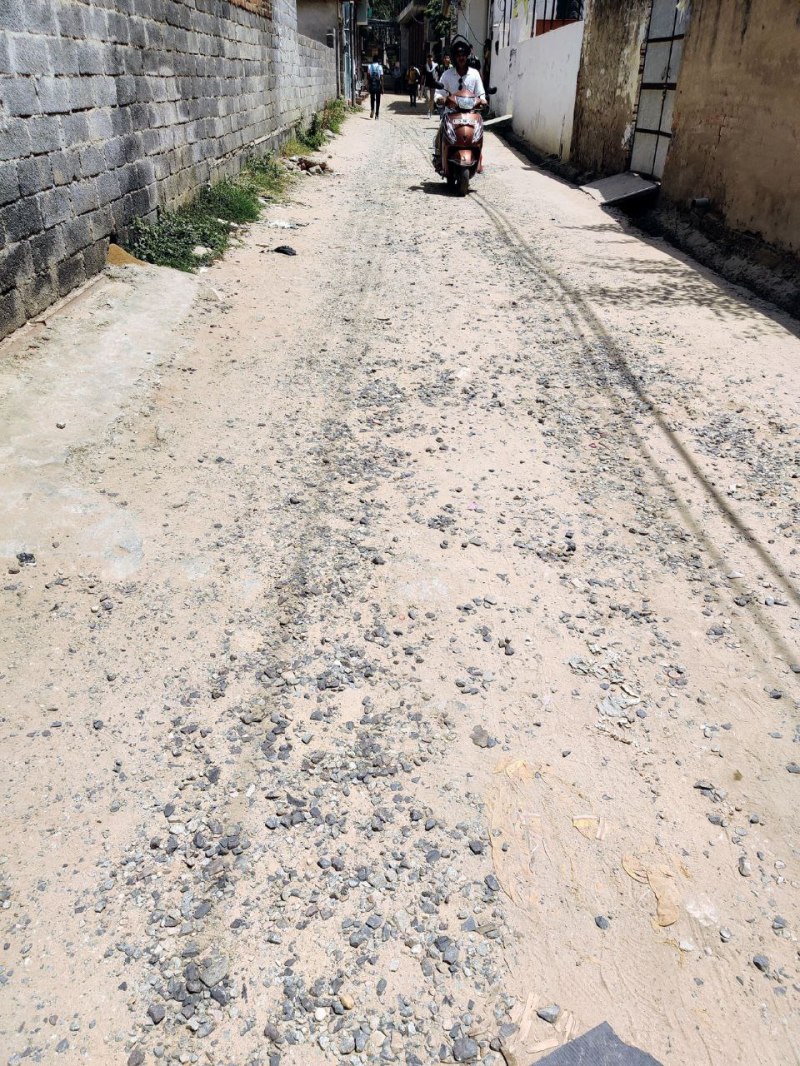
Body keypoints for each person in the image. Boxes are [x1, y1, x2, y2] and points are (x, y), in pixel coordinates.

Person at [433, 40, 486, 167]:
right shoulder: (447, 75)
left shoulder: (474, 74)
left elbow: (481, 93)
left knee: (479, 134)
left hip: (471, 115)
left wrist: (483, 100)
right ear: (454, 58)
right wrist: (439, 98)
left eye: (463, 55)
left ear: (467, 56)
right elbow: (438, 93)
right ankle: (439, 157)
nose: (461, 58)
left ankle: (478, 157)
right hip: (451, 114)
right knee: (440, 134)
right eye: (458, 55)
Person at [367, 53, 384, 120]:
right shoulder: (380, 67)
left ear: (373, 60)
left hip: (372, 85)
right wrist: (382, 88)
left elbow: (368, 77)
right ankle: (377, 115)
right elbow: (381, 78)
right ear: (378, 60)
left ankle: (372, 109)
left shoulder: (369, 66)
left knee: (372, 98)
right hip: (378, 86)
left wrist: (368, 85)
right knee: (378, 100)